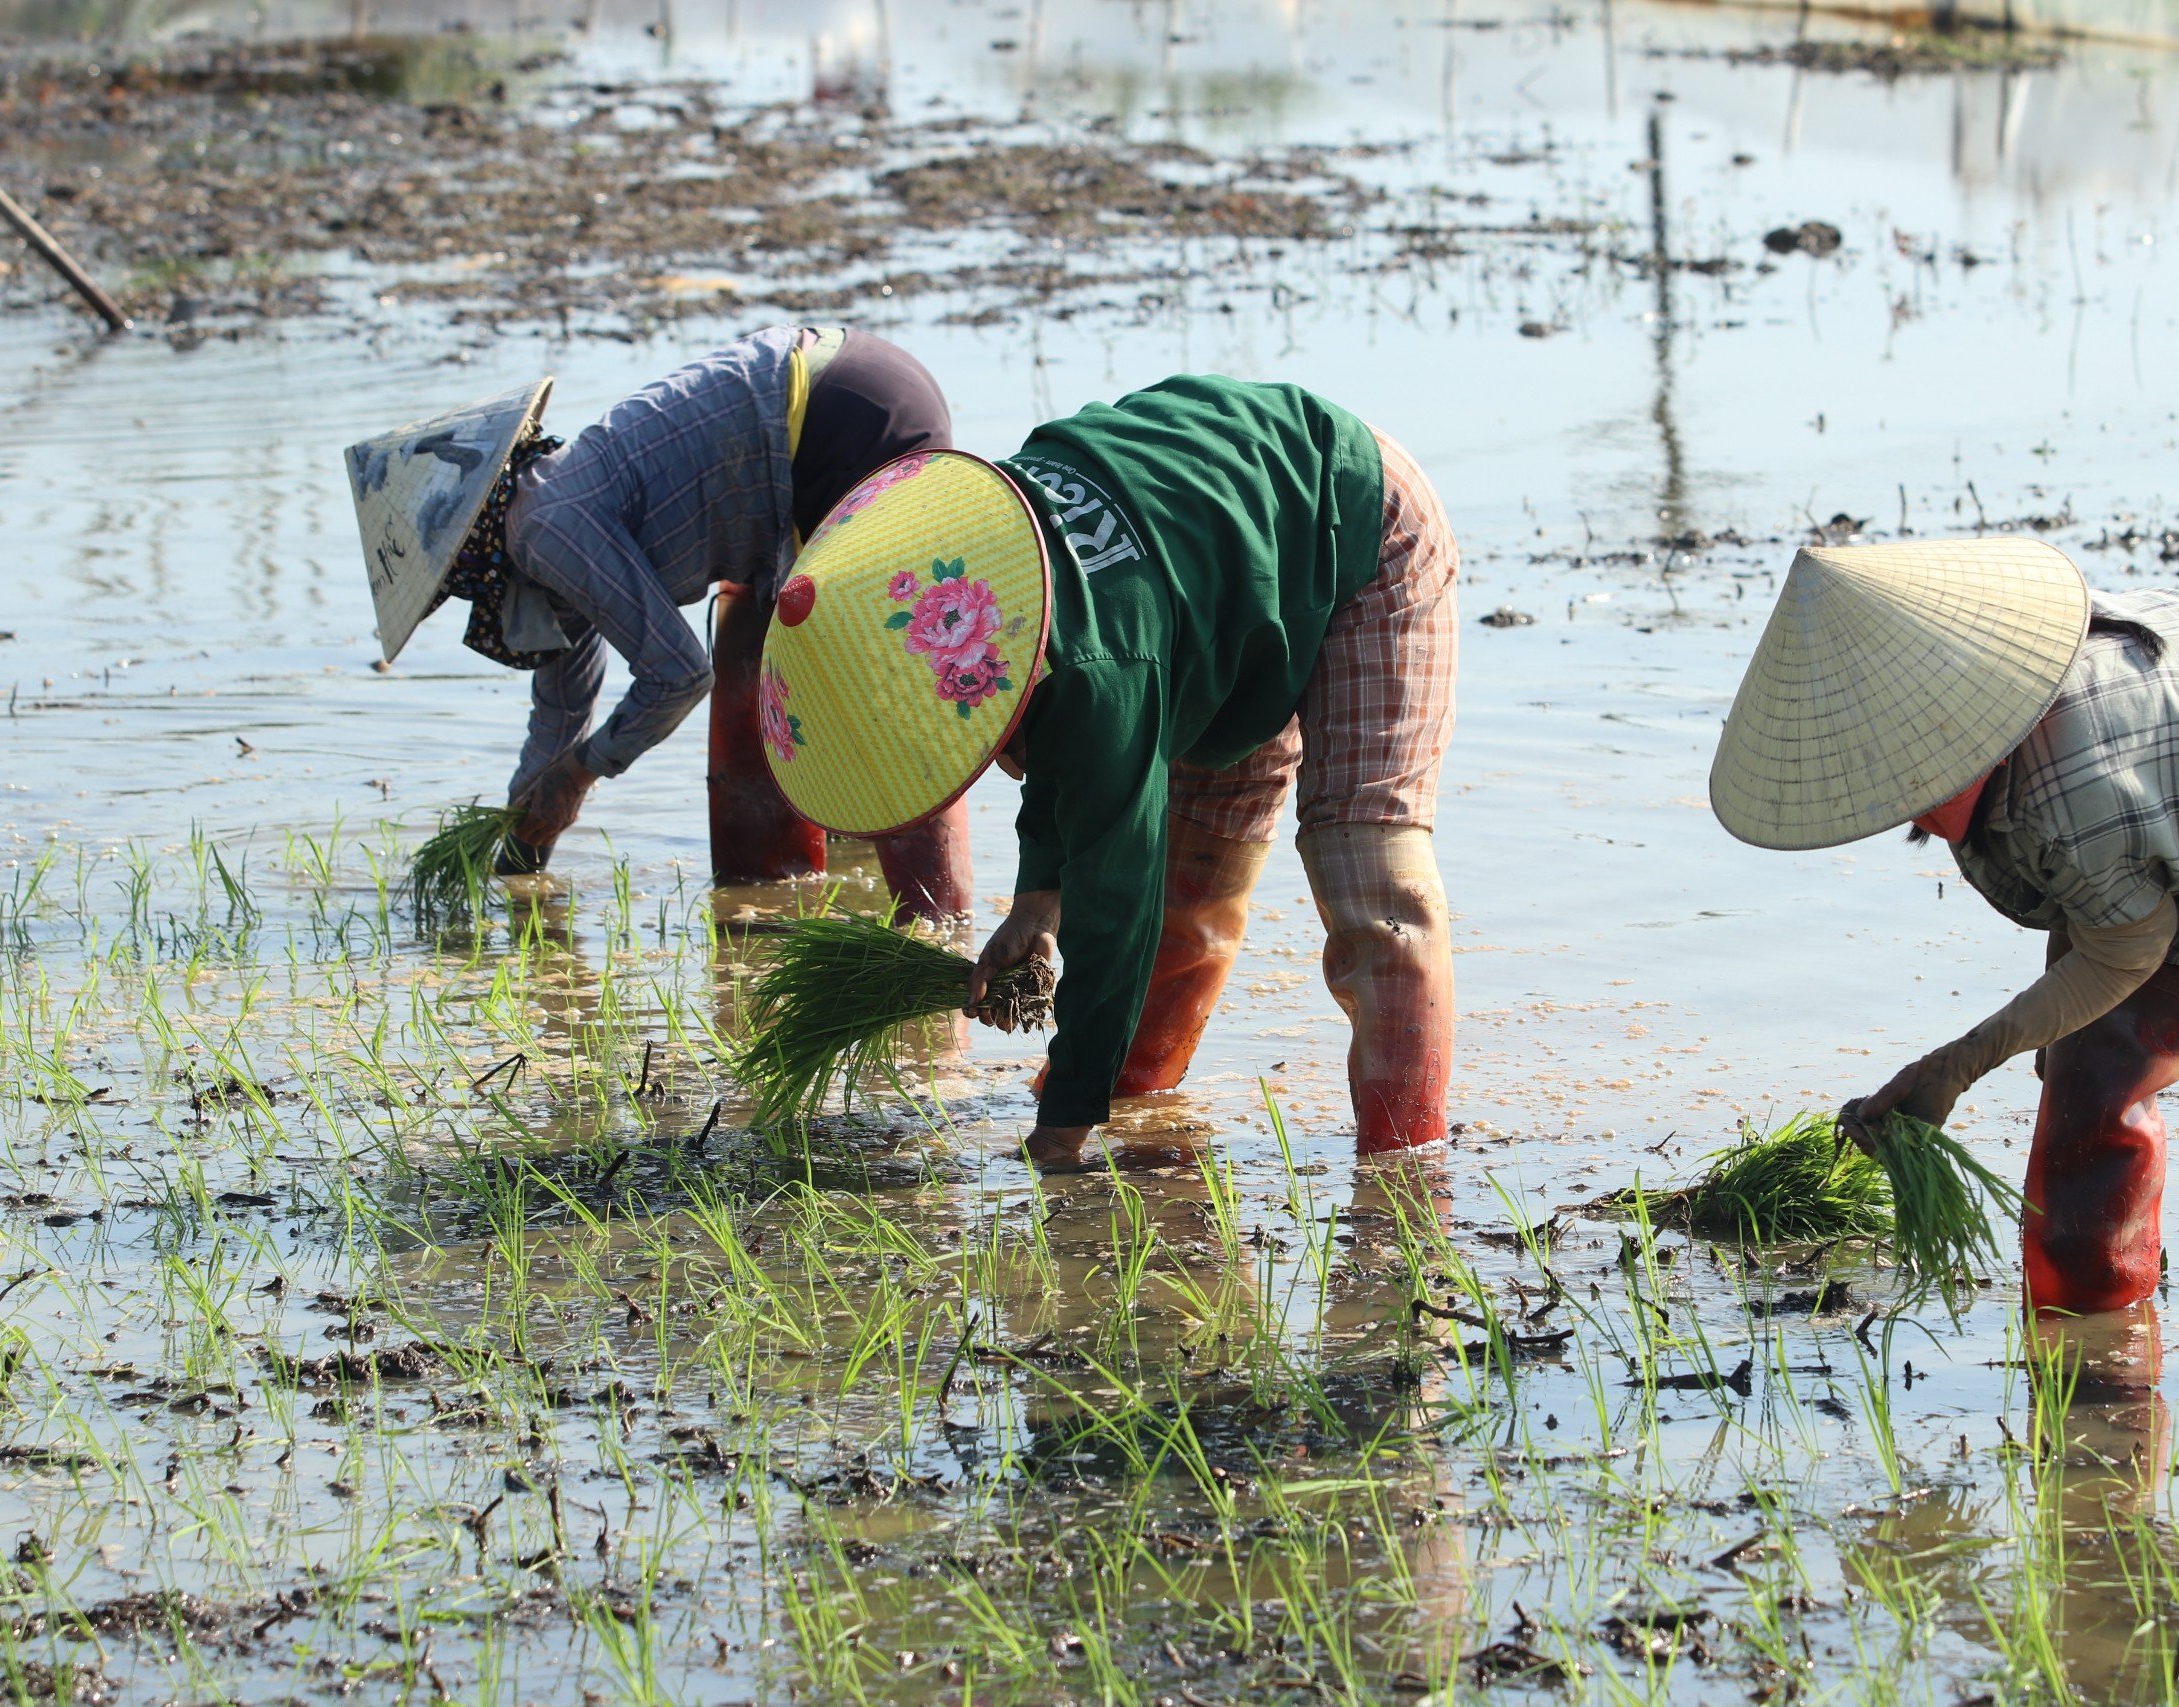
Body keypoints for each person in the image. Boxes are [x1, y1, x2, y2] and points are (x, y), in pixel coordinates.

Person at [1709, 536, 2179, 1314]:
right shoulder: (2015, 750)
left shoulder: (2079, 778)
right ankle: (2094, 1377)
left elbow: (2122, 948)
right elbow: (2093, 910)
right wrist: (2042, 1040)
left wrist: (1954, 1065)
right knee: (2090, 1088)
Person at [747, 376, 1460, 1171]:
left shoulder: (1094, 663)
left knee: (1369, 880)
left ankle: (1406, 1173)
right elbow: (1056, 725)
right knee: (1191, 902)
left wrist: (1059, 1137)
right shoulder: (994, 583)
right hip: (1217, 597)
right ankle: (1135, 1099)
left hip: (1351, 520)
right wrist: (1038, 899)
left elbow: (1114, 897)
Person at [341, 328, 972, 916]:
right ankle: (849, 896)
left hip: (836, 422)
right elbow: (561, 713)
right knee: (801, 674)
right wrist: (523, 840)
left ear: (461, 554)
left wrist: (584, 771)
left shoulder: (543, 526)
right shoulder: (543, 521)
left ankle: (936, 928)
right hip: (861, 380)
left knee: (867, 693)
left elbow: (677, 674)